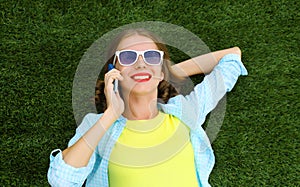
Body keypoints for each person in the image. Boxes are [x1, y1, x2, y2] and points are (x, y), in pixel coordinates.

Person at [47, 28, 248, 187]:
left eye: (151, 56)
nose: (141, 63)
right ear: (113, 71)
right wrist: (110, 114)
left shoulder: (186, 110)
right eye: (128, 57)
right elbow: (62, 180)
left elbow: (231, 57)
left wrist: (167, 72)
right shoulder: (98, 126)